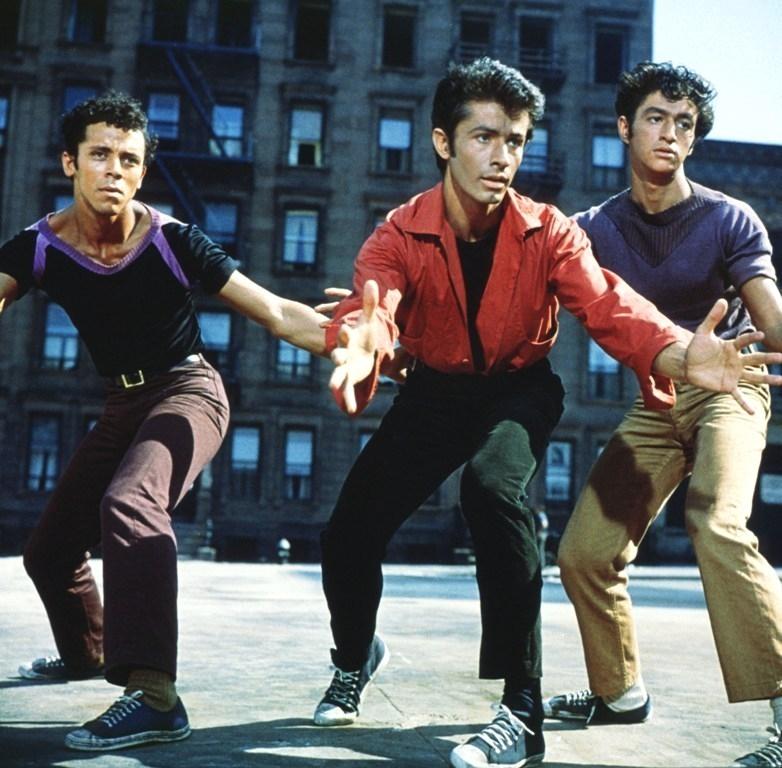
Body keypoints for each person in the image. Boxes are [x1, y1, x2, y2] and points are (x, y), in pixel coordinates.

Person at [313, 57, 782, 768]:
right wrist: (367, 338)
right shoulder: (409, 231)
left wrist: (685, 354)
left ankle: (521, 709)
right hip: (455, 393)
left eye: (515, 141)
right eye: (484, 138)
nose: (502, 157)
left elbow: (611, 306)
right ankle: (359, 658)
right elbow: (376, 301)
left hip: (581, 387)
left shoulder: (574, 230)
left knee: (505, 492)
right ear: (443, 142)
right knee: (357, 534)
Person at [5, 91, 373, 752]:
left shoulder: (171, 240)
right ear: (69, 163)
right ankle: (87, 652)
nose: (114, 170)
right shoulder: (39, 246)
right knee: (50, 552)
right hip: (121, 404)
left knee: (131, 502)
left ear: (142, 172)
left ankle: (154, 696)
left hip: (189, 391)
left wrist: (352, 344)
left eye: (128, 159)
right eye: (99, 155)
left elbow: (275, 311)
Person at [543, 62, 782, 768]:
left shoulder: (729, 218)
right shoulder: (590, 230)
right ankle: (619, 692)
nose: (670, 133)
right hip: (656, 404)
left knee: (715, 520)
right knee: (583, 554)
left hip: (730, 391)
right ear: (624, 127)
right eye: (655, 117)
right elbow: (527, 300)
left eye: (685, 123)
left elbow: (771, 316)